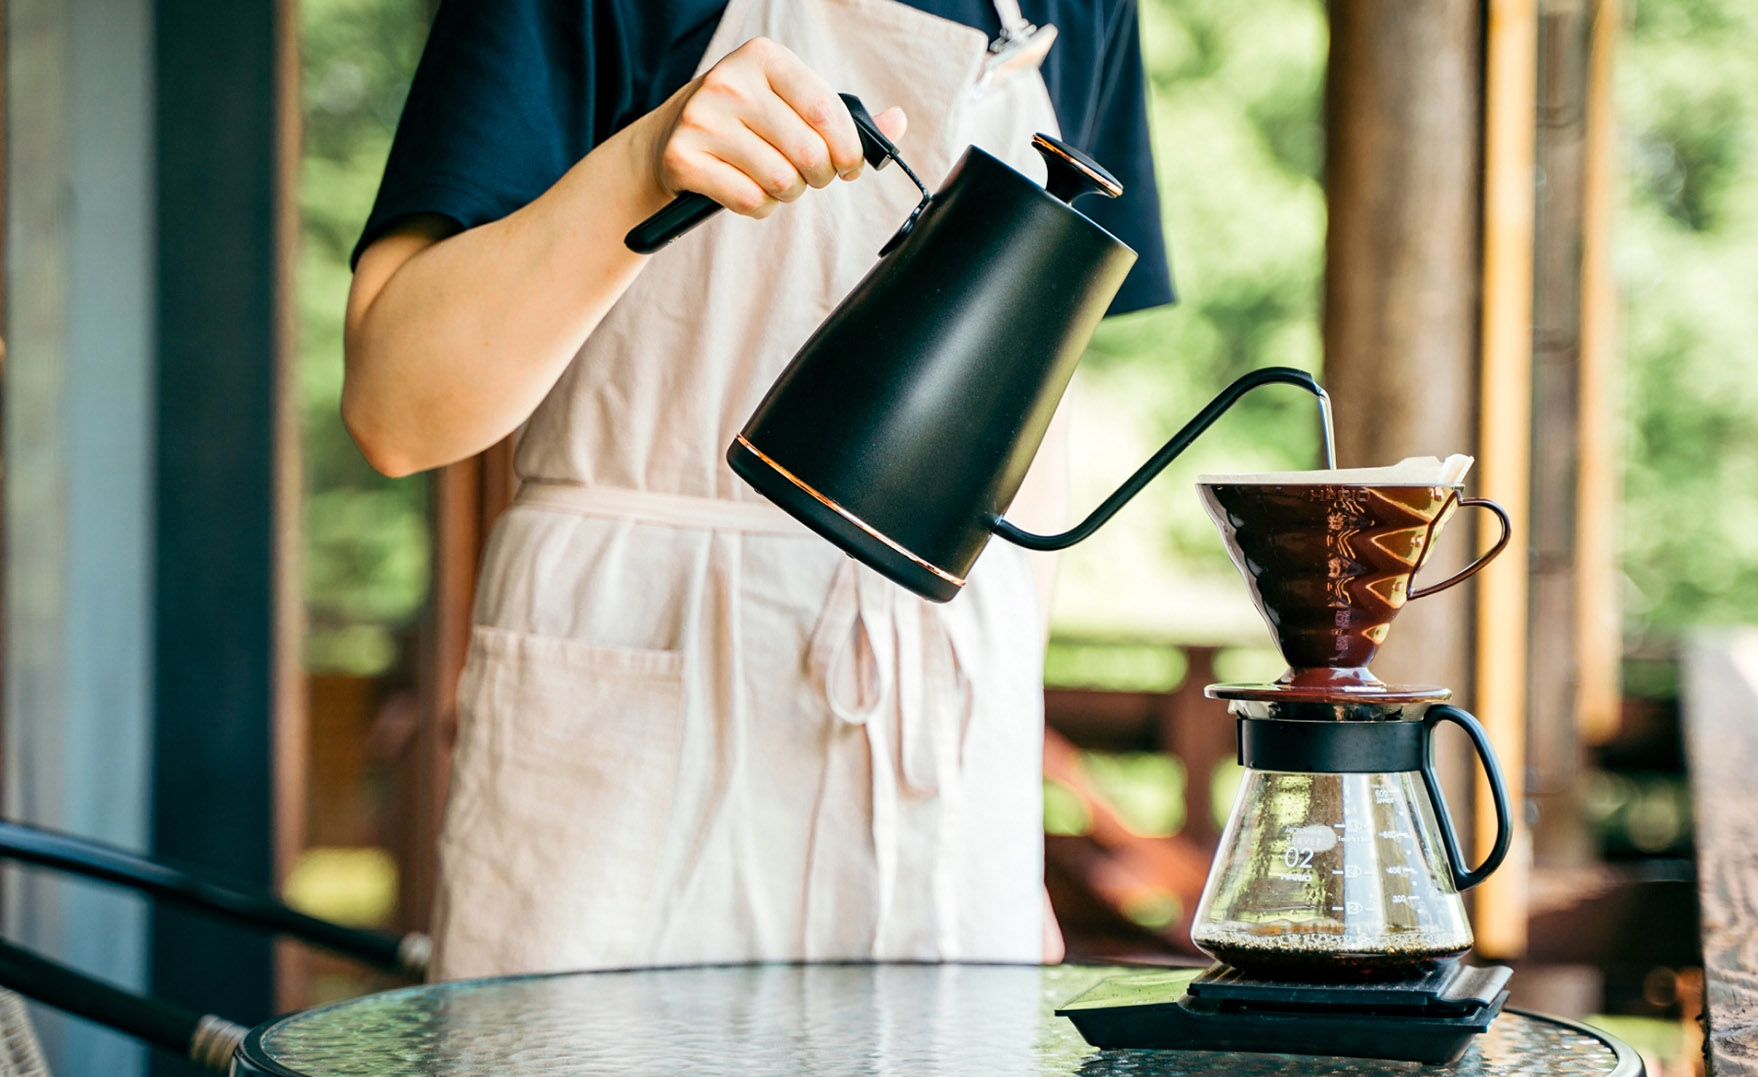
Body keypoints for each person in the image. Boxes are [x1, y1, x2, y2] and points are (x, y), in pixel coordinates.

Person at [344, 0, 1173, 978]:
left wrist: (1005, 812)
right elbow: (398, 406)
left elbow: (1031, 415)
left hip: (944, 777)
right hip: (631, 756)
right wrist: (641, 165)